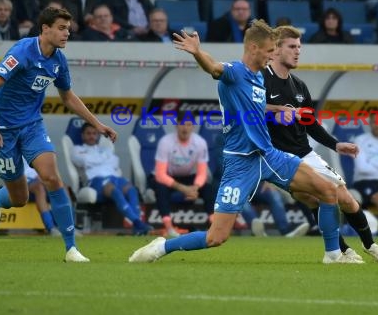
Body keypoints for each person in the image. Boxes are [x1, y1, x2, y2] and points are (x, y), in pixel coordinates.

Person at [129, 20, 347, 264]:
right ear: (253, 48)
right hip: (240, 163)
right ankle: (163, 247)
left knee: (329, 191)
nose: (271, 56)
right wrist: (197, 52)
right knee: (216, 237)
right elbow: (214, 68)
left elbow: (256, 107)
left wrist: (279, 110)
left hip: (268, 155)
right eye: (268, 51)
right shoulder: (234, 72)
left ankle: (333, 255)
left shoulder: (258, 79)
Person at [0, 6, 117, 262]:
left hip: (32, 126)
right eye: (62, 28)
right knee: (20, 199)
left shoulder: (58, 60)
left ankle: (71, 248)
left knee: (52, 177)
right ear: (45, 29)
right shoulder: (22, 52)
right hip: (2, 130)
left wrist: (98, 125)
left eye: (69, 29)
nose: (67, 34)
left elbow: (67, 97)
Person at [263, 25, 378, 262]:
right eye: (292, 46)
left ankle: (367, 246)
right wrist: (273, 114)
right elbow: (246, 111)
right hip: (277, 157)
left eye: (299, 47)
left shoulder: (299, 86)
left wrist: (336, 145)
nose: (297, 51)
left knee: (344, 198)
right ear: (276, 49)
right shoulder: (261, 80)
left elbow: (310, 123)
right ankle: (341, 251)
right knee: (318, 196)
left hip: (304, 152)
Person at [71, 122, 150, 235]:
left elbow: (115, 161)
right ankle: (138, 222)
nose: (92, 136)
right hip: (95, 181)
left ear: (98, 135)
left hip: (114, 177)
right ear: (83, 135)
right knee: (113, 190)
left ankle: (137, 229)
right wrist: (102, 159)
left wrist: (93, 159)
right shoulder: (77, 149)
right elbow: (82, 161)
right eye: (88, 133)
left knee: (131, 189)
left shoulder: (105, 149)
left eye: (94, 133)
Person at [148, 112, 215, 238]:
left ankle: (213, 224)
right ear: (176, 125)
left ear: (193, 126)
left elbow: (202, 173)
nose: (185, 128)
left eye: (189, 125)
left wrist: (194, 188)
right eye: (182, 124)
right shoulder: (166, 142)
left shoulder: (200, 143)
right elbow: (160, 174)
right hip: (166, 177)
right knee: (160, 187)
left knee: (208, 188)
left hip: (188, 178)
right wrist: (184, 189)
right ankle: (169, 227)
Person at [241, 182, 309, 237]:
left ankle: (286, 232)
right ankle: (257, 231)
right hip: (240, 187)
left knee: (274, 195)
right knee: (240, 199)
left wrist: (268, 181)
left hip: (258, 185)